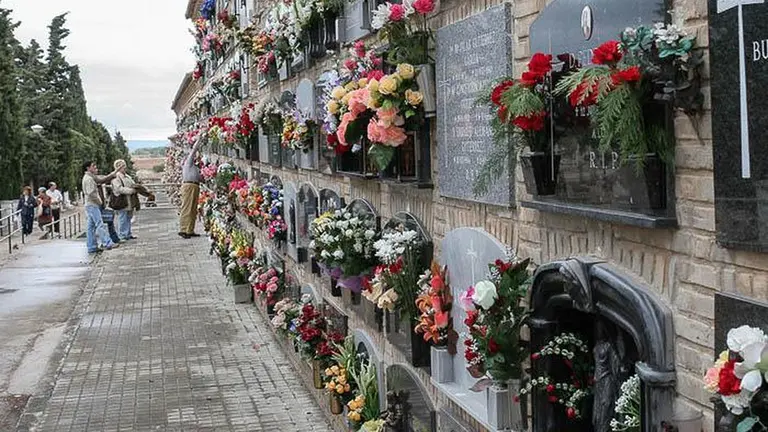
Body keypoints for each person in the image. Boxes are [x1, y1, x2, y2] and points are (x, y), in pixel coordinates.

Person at [82, 160, 119, 254]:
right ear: (88, 168)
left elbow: (102, 180)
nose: (95, 167)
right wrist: (99, 201)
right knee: (99, 224)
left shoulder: (90, 177)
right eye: (93, 166)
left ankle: (91, 246)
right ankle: (107, 243)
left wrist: (113, 173)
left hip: (90, 204)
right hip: (93, 204)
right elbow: (91, 193)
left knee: (90, 227)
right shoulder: (89, 179)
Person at [178, 134, 205, 239]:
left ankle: (190, 230)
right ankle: (183, 229)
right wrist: (199, 139)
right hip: (189, 186)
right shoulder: (188, 162)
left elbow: (199, 178)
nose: (197, 157)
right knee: (187, 207)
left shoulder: (194, 167)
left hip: (194, 186)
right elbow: (193, 151)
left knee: (193, 209)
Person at [110, 159, 136, 241]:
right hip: (122, 200)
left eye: (124, 165)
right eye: (122, 166)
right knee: (122, 217)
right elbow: (118, 189)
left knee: (128, 217)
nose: (124, 167)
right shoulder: (116, 177)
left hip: (129, 199)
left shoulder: (127, 176)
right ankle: (122, 235)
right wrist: (130, 191)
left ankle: (128, 233)